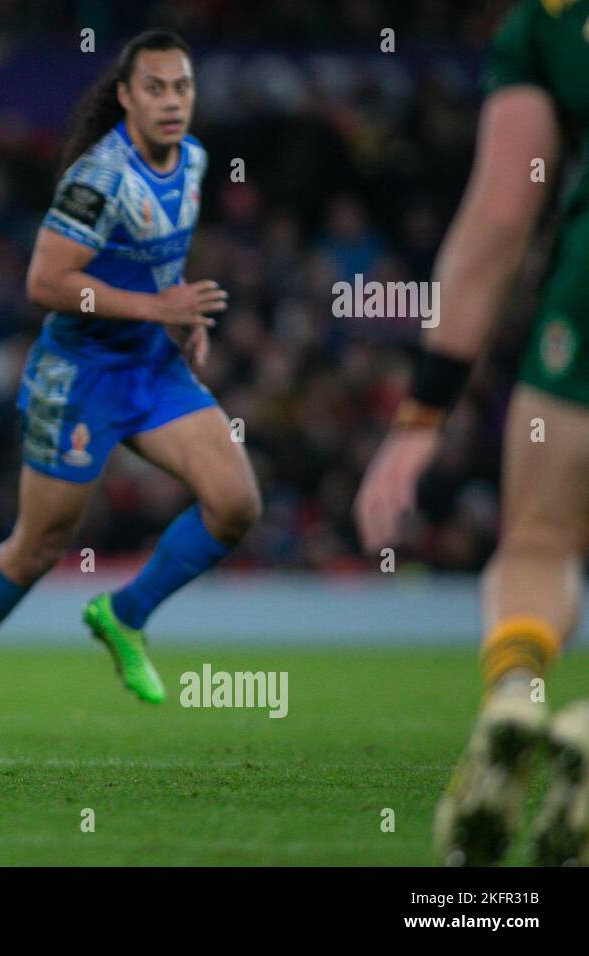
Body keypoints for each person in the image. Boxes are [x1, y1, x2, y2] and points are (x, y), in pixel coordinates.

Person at [0, 30, 260, 742]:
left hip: (152, 369)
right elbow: (46, 284)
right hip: (78, 378)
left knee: (235, 504)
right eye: (156, 88)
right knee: (39, 546)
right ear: (127, 97)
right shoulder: (99, 178)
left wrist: (179, 319)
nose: (171, 101)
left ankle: (124, 614)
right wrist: (154, 308)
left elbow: (160, 256)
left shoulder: (191, 160)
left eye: (182, 87)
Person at [355, 0, 589, 867]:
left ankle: (516, 695)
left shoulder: (544, 21)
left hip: (584, 280)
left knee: (539, 539)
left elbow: (498, 218)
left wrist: (421, 418)